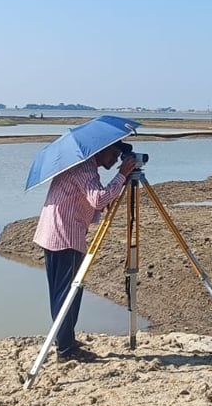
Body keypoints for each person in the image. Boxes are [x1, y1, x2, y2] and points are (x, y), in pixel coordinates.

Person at [32, 140, 137, 362]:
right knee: (67, 293)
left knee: (68, 291)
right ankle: (66, 350)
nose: (115, 159)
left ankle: (65, 339)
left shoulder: (84, 167)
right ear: (101, 148)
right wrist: (122, 176)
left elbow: (93, 200)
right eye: (114, 153)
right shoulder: (85, 168)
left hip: (59, 233)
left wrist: (114, 186)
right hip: (64, 236)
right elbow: (98, 199)